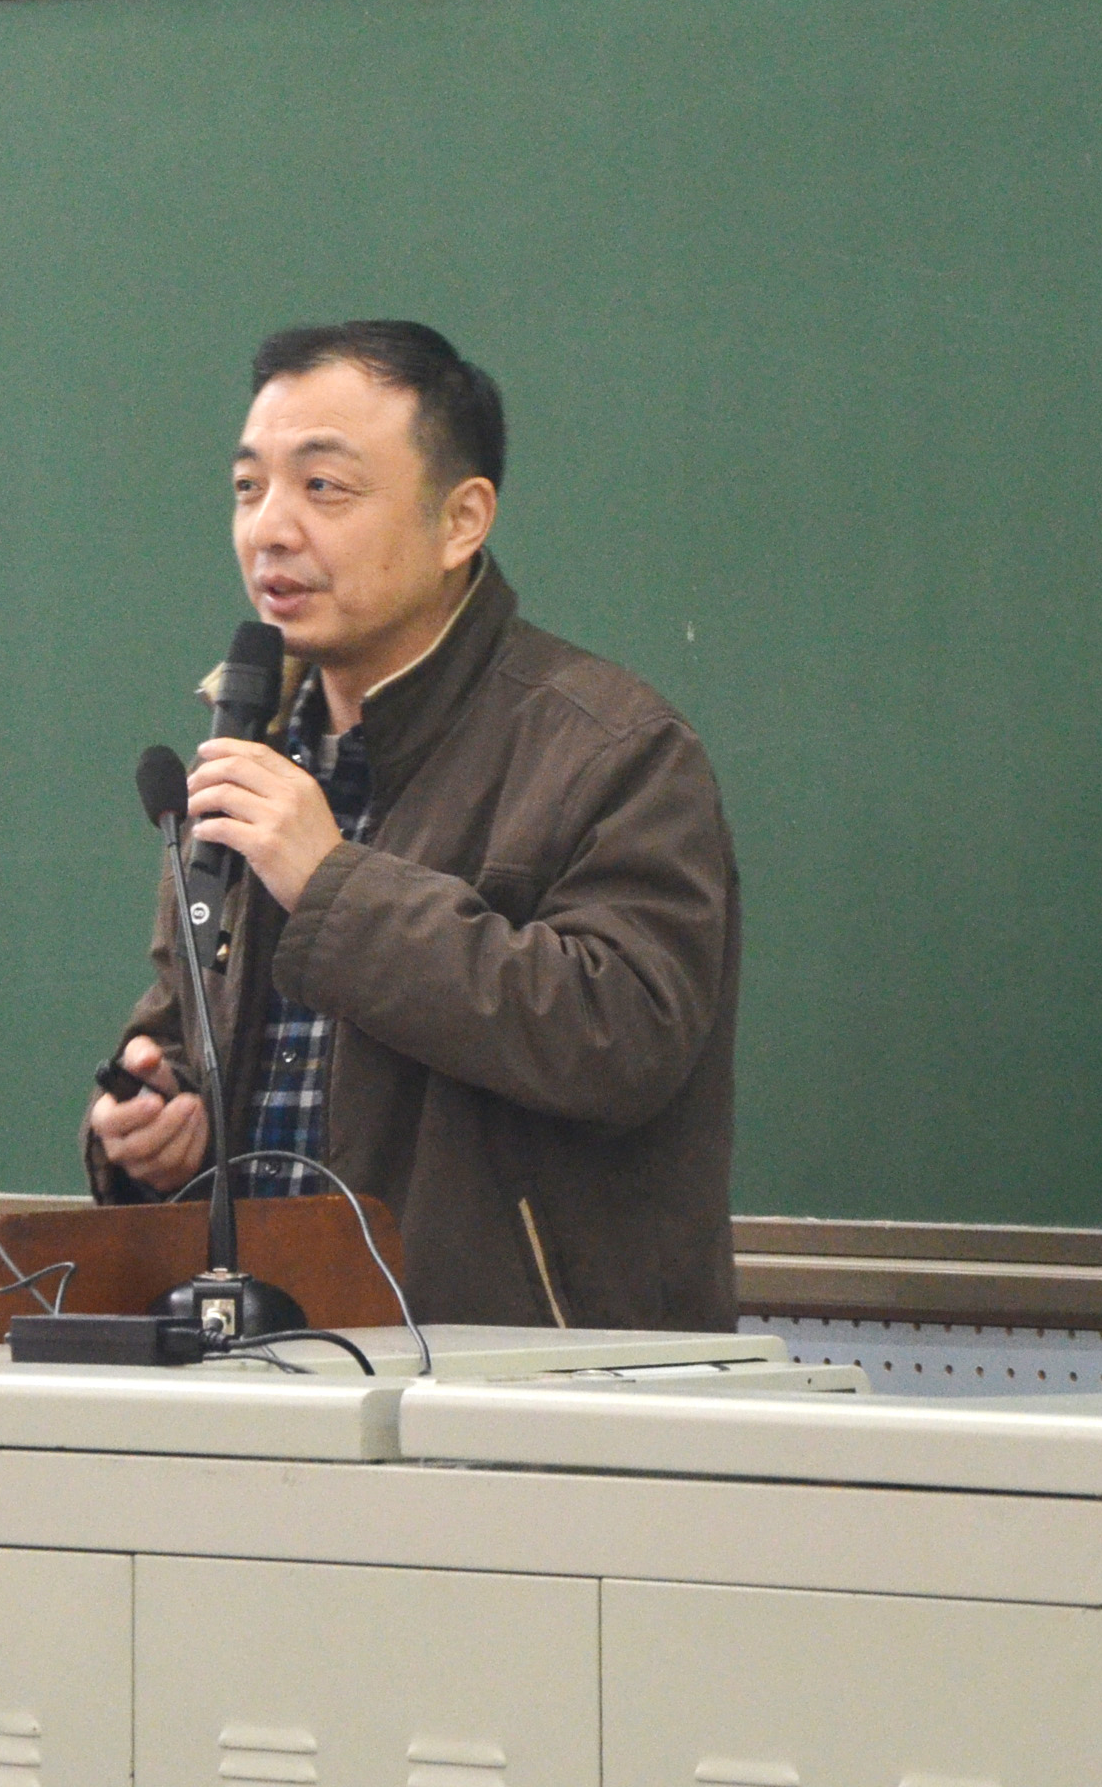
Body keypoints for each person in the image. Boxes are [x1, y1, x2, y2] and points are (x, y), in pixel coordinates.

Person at [82, 320, 739, 1331]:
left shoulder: (612, 748)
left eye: (324, 487)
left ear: (461, 520)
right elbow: (183, 1022)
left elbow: (624, 1037)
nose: (269, 530)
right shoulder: (252, 748)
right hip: (261, 1358)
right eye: (249, 487)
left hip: (523, 1376)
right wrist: (152, 1130)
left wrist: (332, 884)